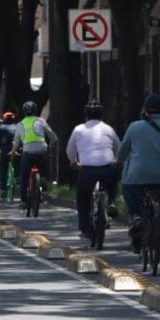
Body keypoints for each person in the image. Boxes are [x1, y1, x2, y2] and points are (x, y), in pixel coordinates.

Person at [119, 94, 160, 255]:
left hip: (137, 178)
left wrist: (119, 161)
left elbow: (122, 152)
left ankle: (136, 216)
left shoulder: (134, 127)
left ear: (145, 110)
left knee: (127, 189)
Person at [67, 101, 121, 241]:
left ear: (85, 115)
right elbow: (118, 148)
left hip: (87, 170)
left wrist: (74, 162)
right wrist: (116, 161)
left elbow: (70, 150)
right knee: (112, 182)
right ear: (101, 115)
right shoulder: (109, 129)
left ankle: (85, 229)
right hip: (107, 168)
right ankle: (112, 201)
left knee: (83, 198)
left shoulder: (78, 129)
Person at [12, 100, 59, 206]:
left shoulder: (20, 124)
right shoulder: (41, 121)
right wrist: (51, 145)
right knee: (44, 166)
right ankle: (43, 178)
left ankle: (23, 200)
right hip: (42, 150)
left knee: (24, 176)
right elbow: (53, 136)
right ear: (35, 110)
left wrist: (13, 152)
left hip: (27, 152)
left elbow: (16, 143)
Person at [0, 112, 19, 197]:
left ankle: (3, 190)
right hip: (16, 149)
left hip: (5, 150)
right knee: (18, 164)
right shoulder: (17, 127)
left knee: (3, 169)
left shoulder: (1, 128)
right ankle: (18, 177)